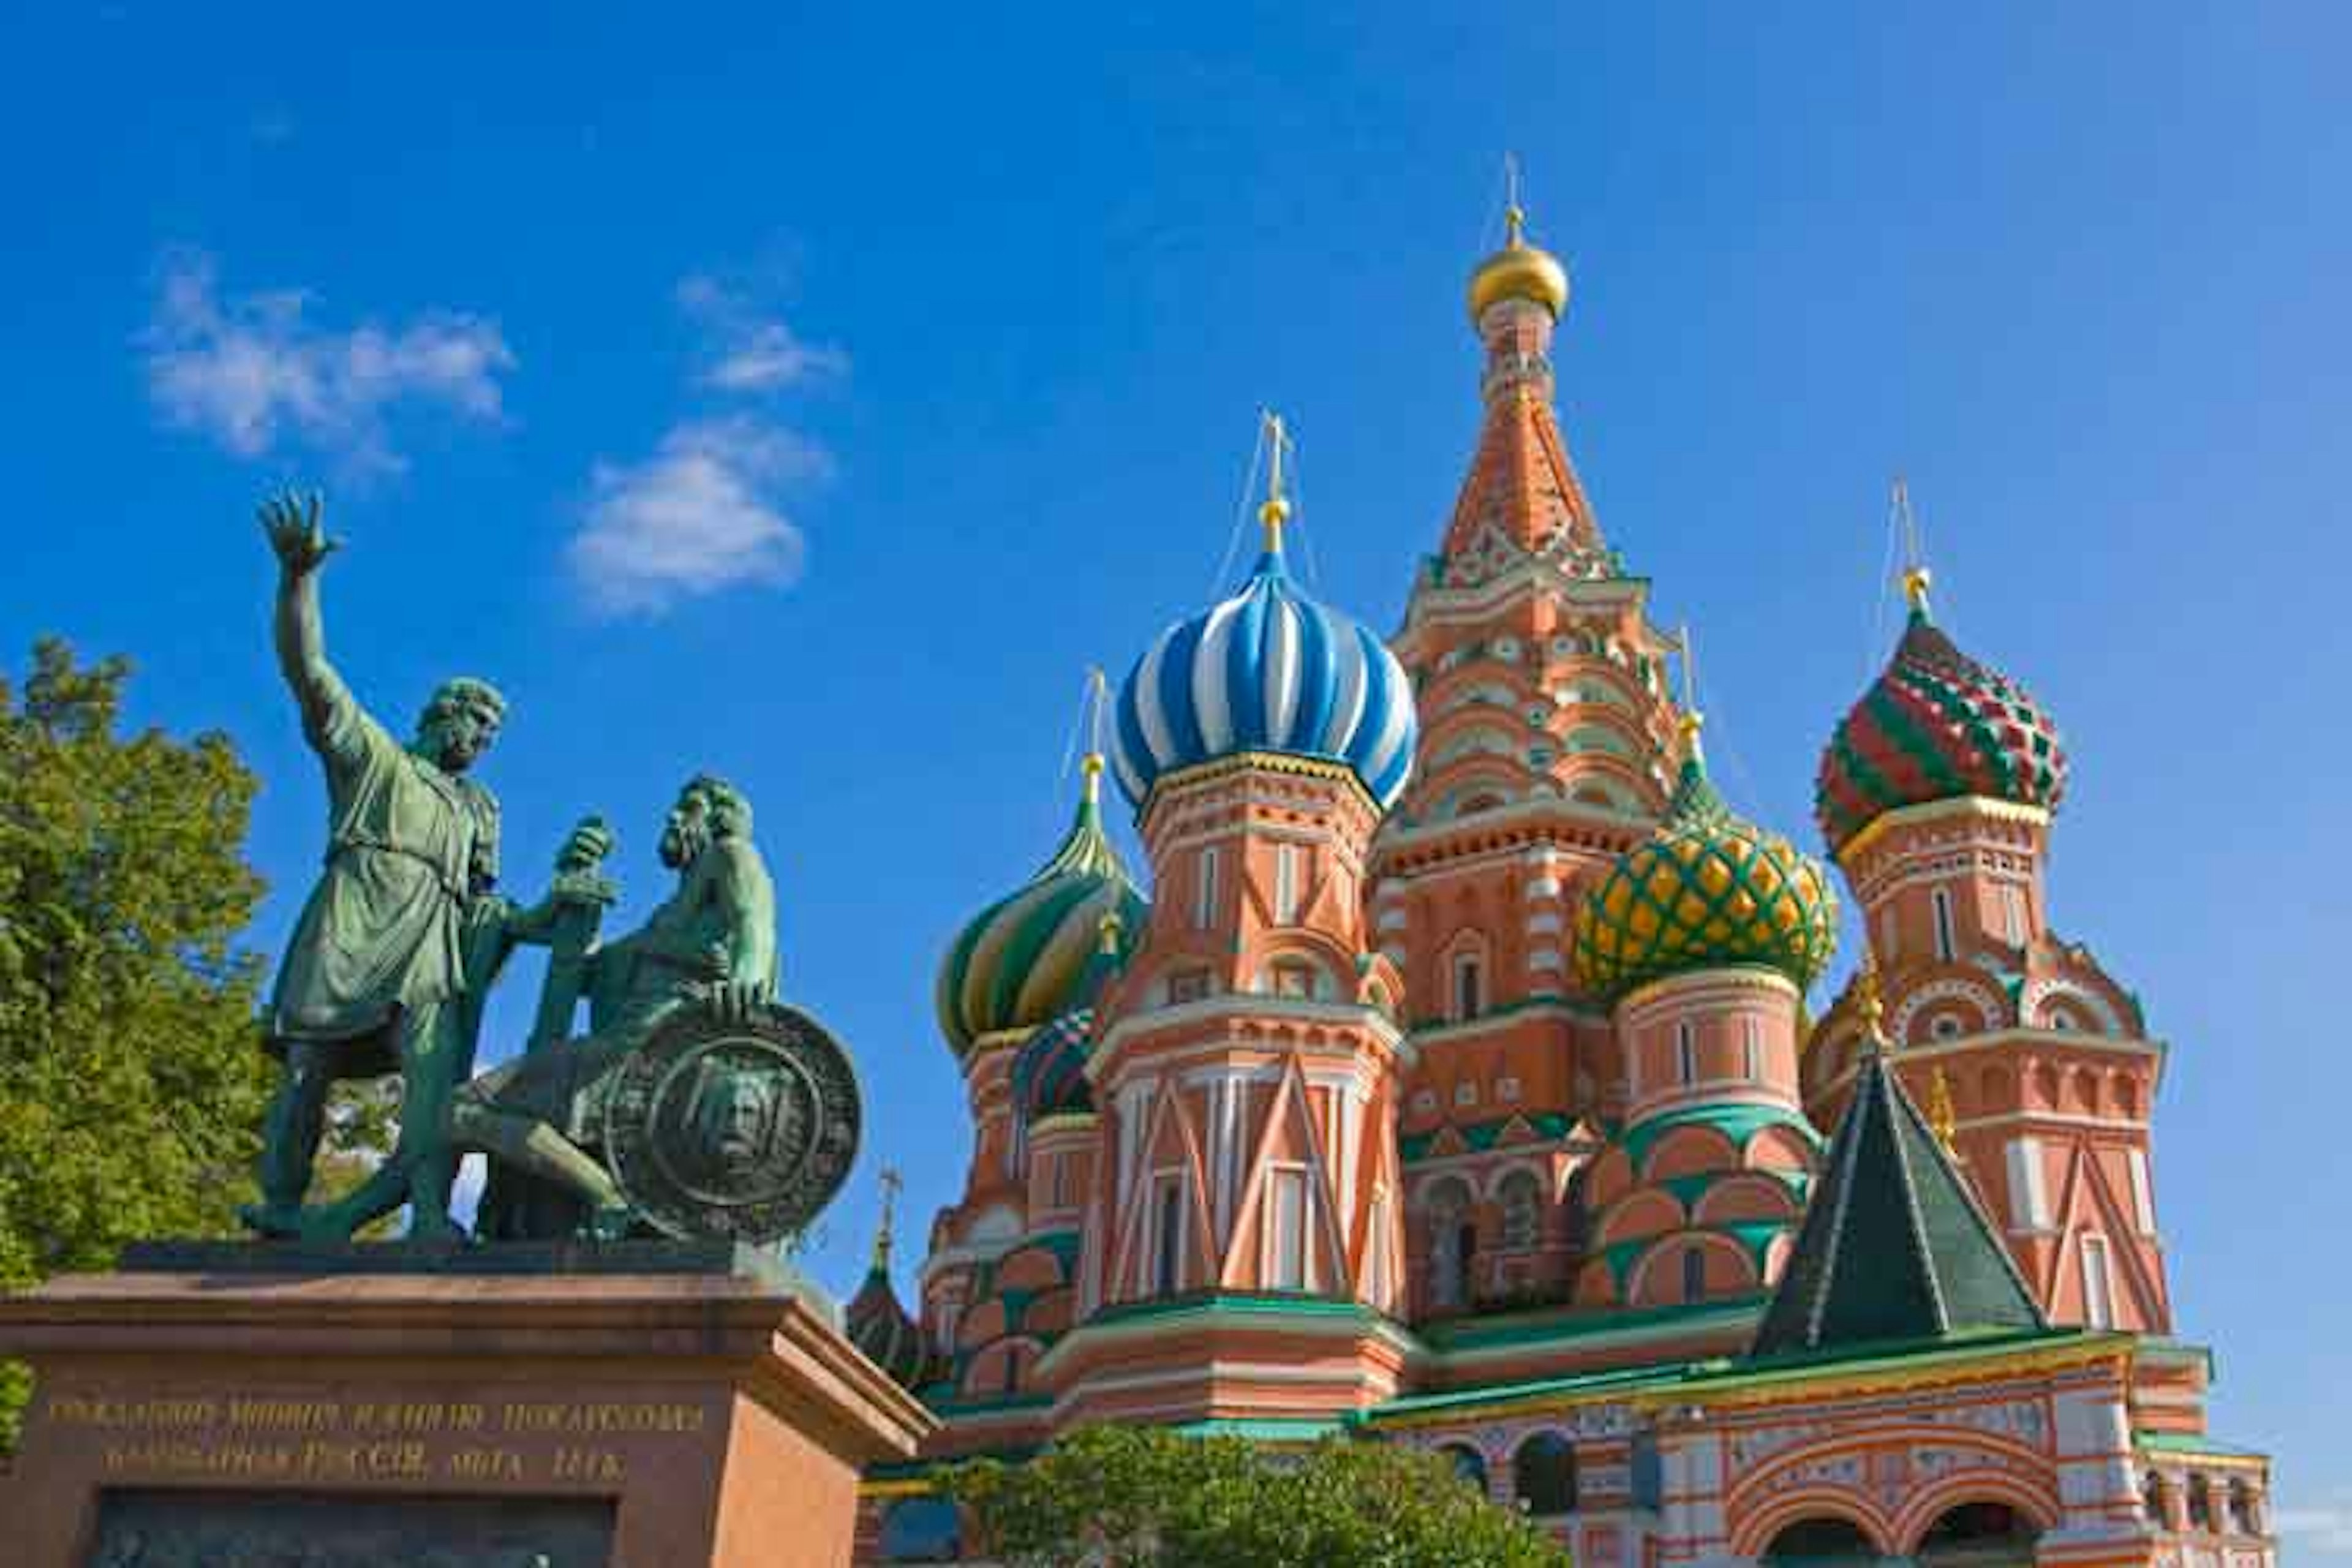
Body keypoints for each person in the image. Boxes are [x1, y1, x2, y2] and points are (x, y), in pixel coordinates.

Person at [241, 492, 512, 1242]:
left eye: (491, 733)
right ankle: (282, 1209)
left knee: (432, 1076)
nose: (481, 740)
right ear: (439, 714)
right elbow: (309, 670)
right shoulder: (374, 760)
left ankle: (426, 1213)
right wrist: (300, 579)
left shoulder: (476, 808)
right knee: (308, 1070)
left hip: (427, 946)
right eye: (475, 722)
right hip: (353, 918)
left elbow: (483, 906)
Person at [447, 773, 778, 1239]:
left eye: (690, 809)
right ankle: (607, 1194)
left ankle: (606, 1194)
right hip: (626, 1042)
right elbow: (590, 972)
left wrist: (746, 978)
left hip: (650, 1046)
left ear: (719, 819)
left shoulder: (731, 856)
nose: (674, 817)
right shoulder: (677, 908)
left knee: (464, 1109)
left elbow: (755, 922)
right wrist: (573, 895)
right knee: (465, 1110)